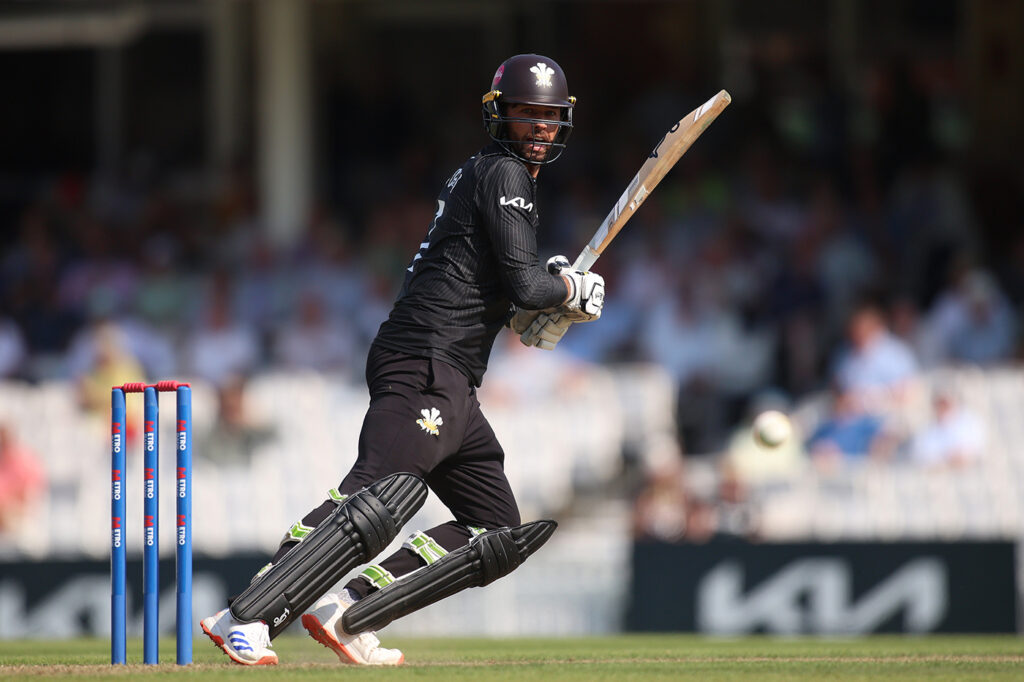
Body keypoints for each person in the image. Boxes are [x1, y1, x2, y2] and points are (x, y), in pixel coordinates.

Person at [200, 54, 606, 666]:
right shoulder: (503, 173)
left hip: (455, 376)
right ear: (500, 116)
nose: (540, 127)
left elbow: (512, 295)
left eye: (549, 116)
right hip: (426, 358)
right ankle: (246, 615)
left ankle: (351, 611)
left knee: (493, 528)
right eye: (528, 114)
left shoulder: (491, 177)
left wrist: (550, 296)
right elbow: (527, 287)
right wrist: (570, 289)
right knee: (380, 495)